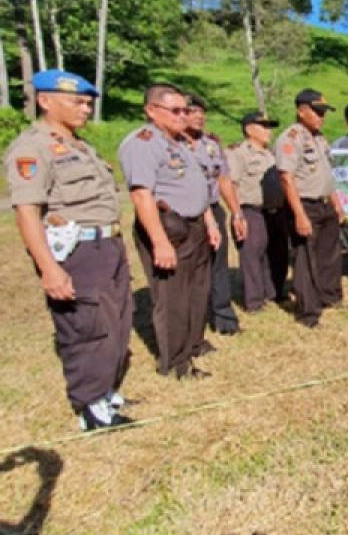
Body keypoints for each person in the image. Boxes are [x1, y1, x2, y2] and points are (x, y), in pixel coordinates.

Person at [4, 69, 134, 430]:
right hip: (77, 250)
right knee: (85, 325)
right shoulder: (32, 147)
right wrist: (50, 269)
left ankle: (105, 390)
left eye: (88, 102)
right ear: (45, 101)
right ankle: (90, 405)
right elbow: (27, 213)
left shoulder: (80, 146)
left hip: (106, 243)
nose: (86, 108)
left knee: (117, 321)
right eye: (77, 101)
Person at [118, 83, 221, 380]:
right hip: (169, 227)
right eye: (175, 111)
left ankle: (193, 343)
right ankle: (176, 362)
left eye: (185, 110)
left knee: (197, 290)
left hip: (196, 226)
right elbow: (142, 196)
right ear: (151, 110)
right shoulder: (143, 143)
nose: (182, 116)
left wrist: (211, 223)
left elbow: (198, 187)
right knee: (174, 295)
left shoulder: (178, 143)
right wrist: (159, 242)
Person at [277, 89, 348, 328]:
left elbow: (327, 175)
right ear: (301, 111)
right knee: (305, 258)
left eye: (323, 112)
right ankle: (308, 312)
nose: (321, 117)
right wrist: (299, 214)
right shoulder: (289, 138)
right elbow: (286, 179)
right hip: (304, 205)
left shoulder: (319, 138)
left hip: (325, 204)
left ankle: (330, 297)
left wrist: (337, 203)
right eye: (317, 112)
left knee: (329, 254)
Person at [185, 93, 243, 342]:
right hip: (185, 214)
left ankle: (223, 316)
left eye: (201, 111)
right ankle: (191, 322)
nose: (199, 116)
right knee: (190, 270)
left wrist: (236, 212)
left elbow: (224, 179)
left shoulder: (211, 143)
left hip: (213, 208)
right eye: (192, 111)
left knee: (219, 263)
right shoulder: (172, 144)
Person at [226, 111, 288, 313]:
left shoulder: (271, 154)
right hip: (250, 210)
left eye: (269, 126)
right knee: (252, 255)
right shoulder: (238, 153)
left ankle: (273, 292)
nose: (268, 130)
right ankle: (254, 301)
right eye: (264, 126)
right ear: (249, 129)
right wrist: (237, 214)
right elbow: (231, 184)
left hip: (274, 211)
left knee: (275, 254)